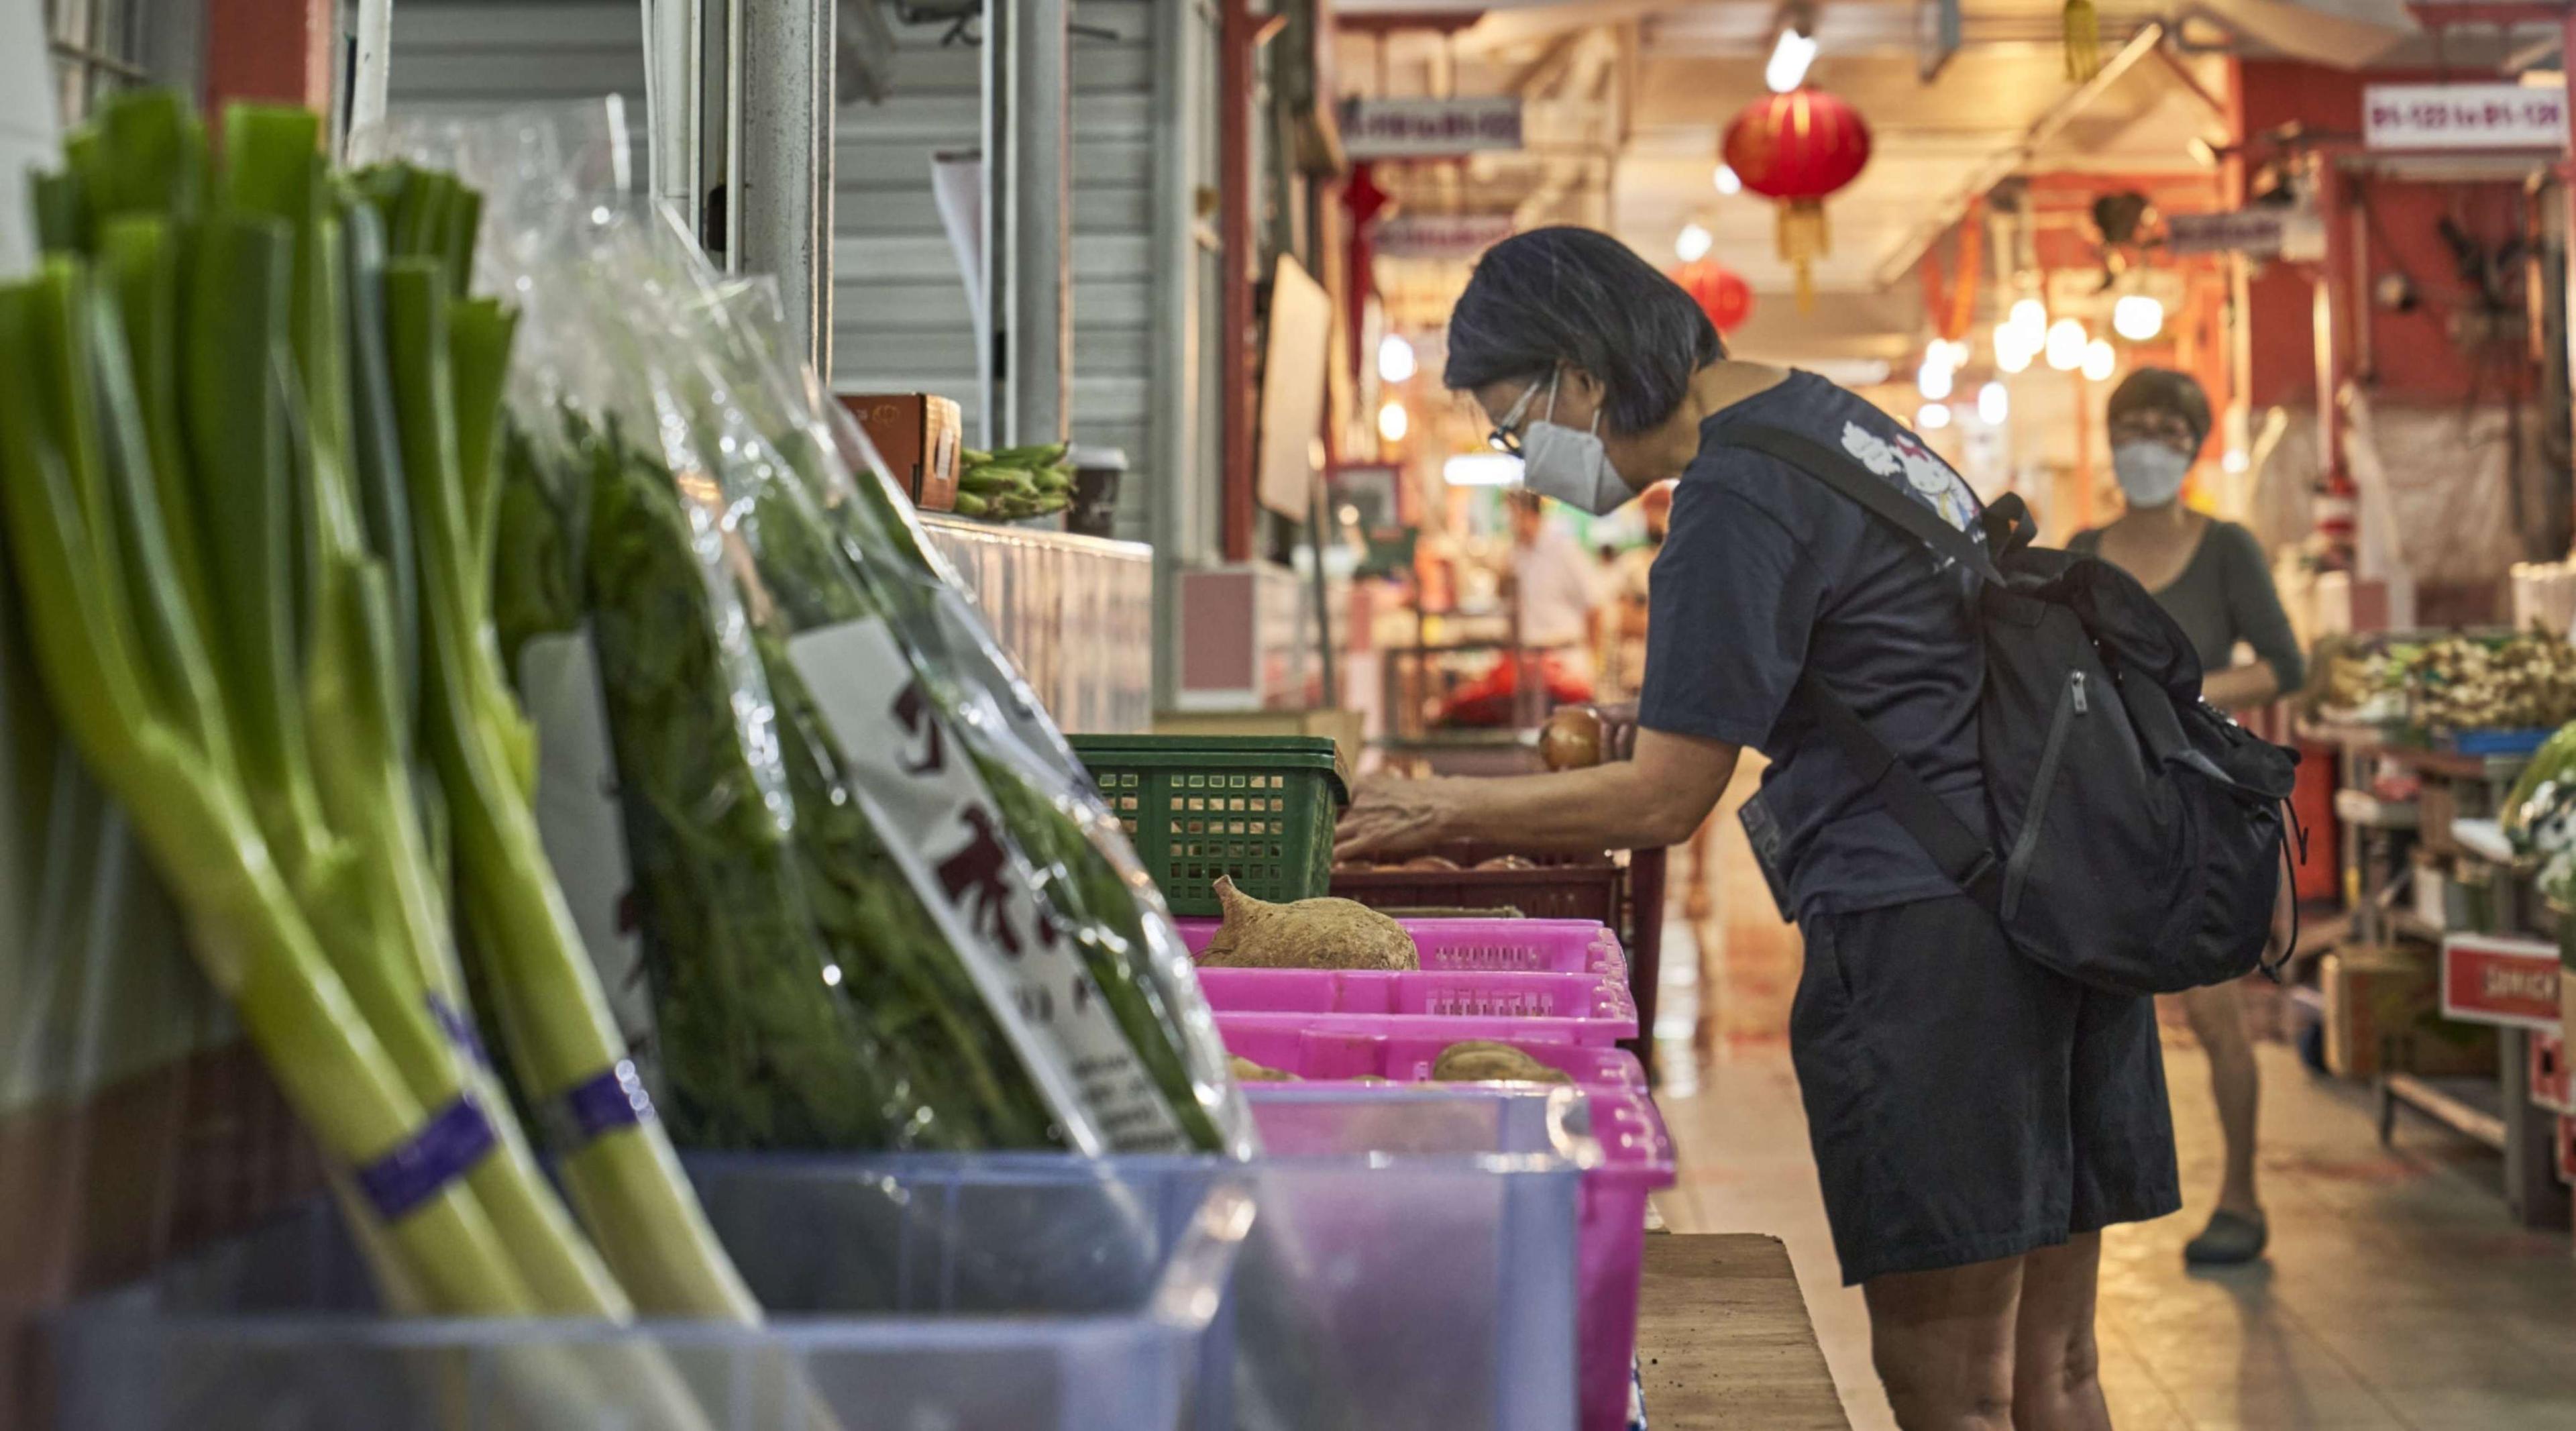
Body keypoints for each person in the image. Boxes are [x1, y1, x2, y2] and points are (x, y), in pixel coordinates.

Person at [1337, 225, 2175, 1431]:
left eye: (1518, 425)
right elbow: (1883, 662)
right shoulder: (1833, 421)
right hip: (2061, 902)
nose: (1526, 466)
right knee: (2057, 1372)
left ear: (1580, 373)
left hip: (1935, 948)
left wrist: (1441, 807)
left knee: (1954, 1386)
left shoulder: (1730, 494)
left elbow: (1664, 798)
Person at [2072, 368, 2306, 1269]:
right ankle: (2083, 1197)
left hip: (2201, 812)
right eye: (2130, 425)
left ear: (2193, 444)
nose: (2145, 442)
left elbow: (2286, 664)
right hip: (2104, 809)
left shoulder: (2227, 548)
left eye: (2166, 427)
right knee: (2091, 1007)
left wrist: (2185, 689)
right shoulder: (2085, 549)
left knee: (2217, 1016)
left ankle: (2242, 1196)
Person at [1506, 486, 1605, 690]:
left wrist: (1594, 659)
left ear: (1530, 513)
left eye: (1515, 514)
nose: (1512, 522)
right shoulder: (1517, 555)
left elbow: (1595, 604)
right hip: (1531, 662)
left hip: (1567, 659)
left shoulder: (1564, 549)